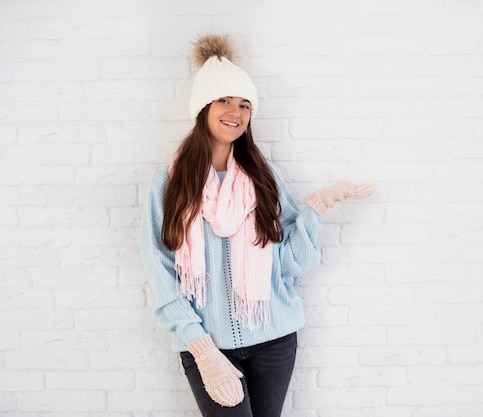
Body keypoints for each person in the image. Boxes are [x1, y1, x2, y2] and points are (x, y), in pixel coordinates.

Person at [139, 34, 376, 417]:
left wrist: (315, 207)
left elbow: (288, 265)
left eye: (245, 104)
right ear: (202, 107)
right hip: (206, 345)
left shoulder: (264, 177)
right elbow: (161, 270)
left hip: (275, 341)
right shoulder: (168, 184)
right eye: (225, 100)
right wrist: (202, 350)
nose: (236, 111)